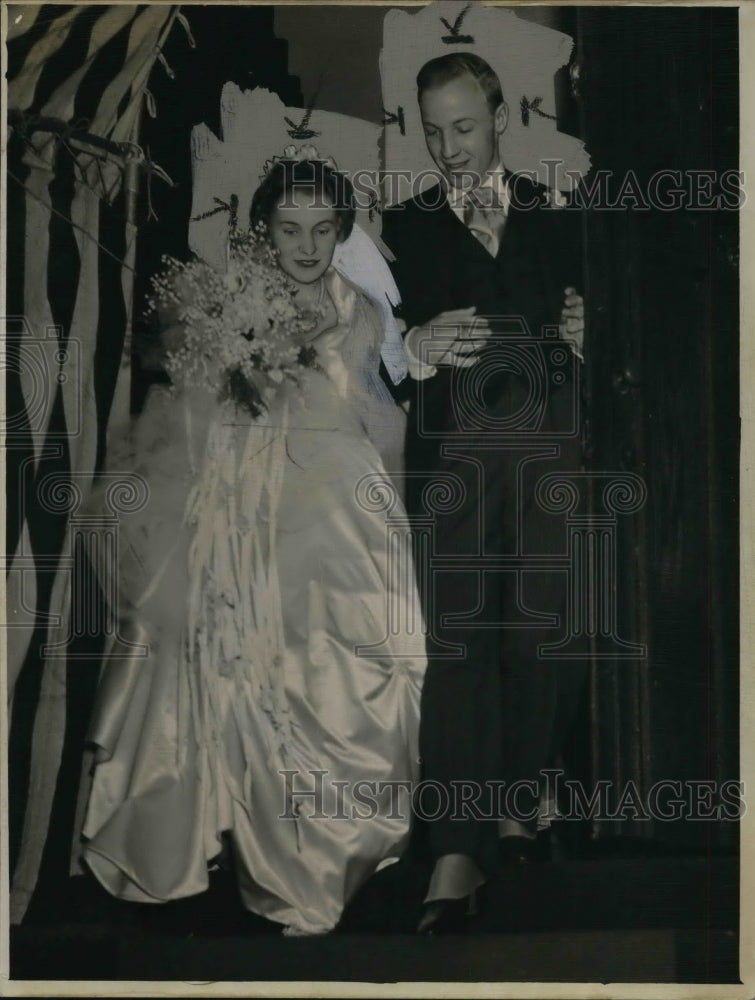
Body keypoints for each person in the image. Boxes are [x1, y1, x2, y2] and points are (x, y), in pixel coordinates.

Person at [78, 157, 426, 936]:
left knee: (344, 664)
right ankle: (242, 848)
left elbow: (380, 417)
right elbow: (191, 409)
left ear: (343, 232)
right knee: (240, 657)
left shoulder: (363, 311)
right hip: (247, 502)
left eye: (322, 230)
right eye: (288, 229)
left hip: (337, 502)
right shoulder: (228, 298)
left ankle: (319, 858)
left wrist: (393, 515)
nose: (305, 246)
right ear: (263, 229)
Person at [381, 52, 588, 933]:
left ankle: (517, 798)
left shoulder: (560, 216)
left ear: (500, 117)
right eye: (432, 131)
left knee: (537, 635)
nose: (448, 147)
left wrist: (588, 331)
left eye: (463, 127)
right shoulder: (399, 225)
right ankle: (455, 849)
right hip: (455, 465)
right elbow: (369, 351)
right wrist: (413, 343)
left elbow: (611, 326)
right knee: (456, 648)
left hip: (549, 457)